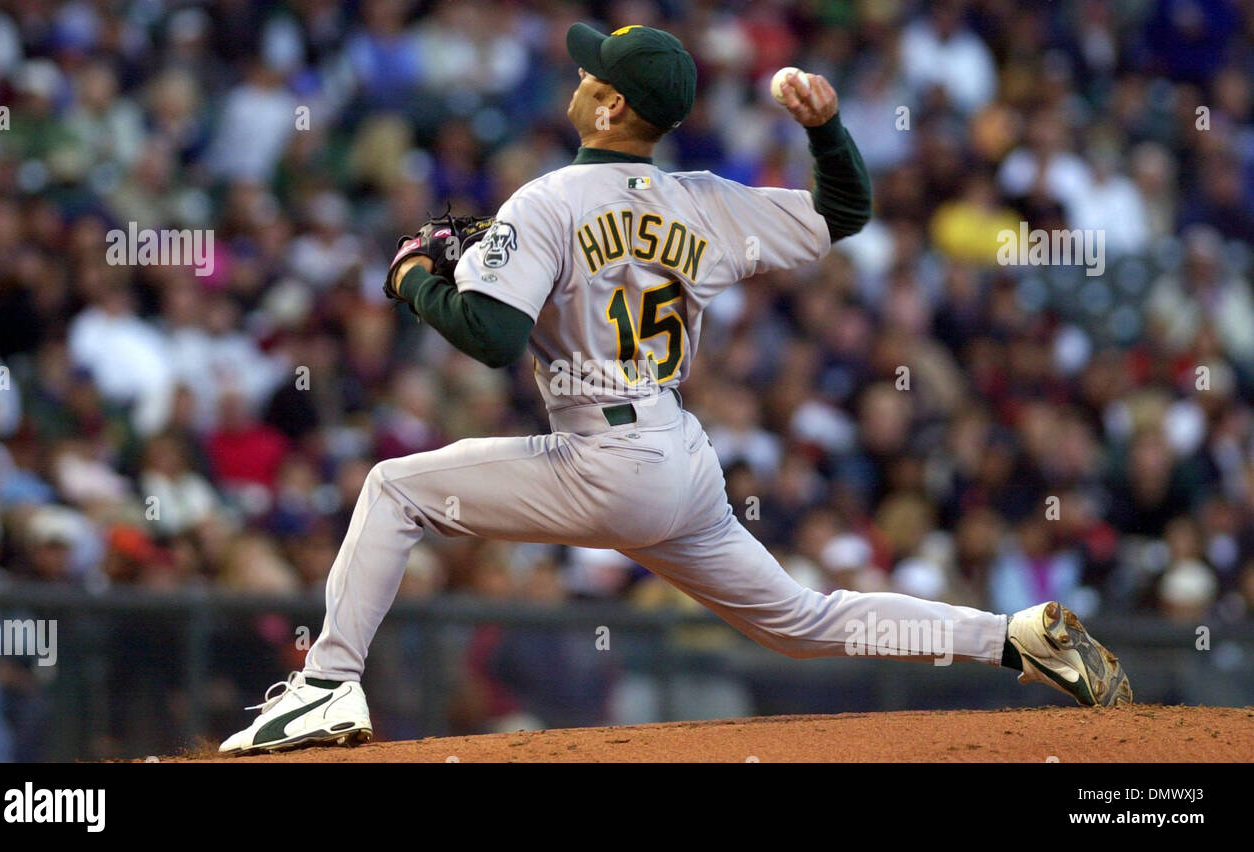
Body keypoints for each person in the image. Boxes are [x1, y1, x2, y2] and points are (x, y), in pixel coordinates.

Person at [221, 23, 1130, 755]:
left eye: (593, 71)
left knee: (393, 489)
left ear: (610, 102)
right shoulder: (702, 200)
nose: (579, 75)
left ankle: (328, 688)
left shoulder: (546, 200)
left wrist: (415, 280)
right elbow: (843, 212)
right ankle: (1014, 638)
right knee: (804, 619)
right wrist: (824, 128)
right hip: (680, 459)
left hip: (601, 455)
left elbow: (492, 338)